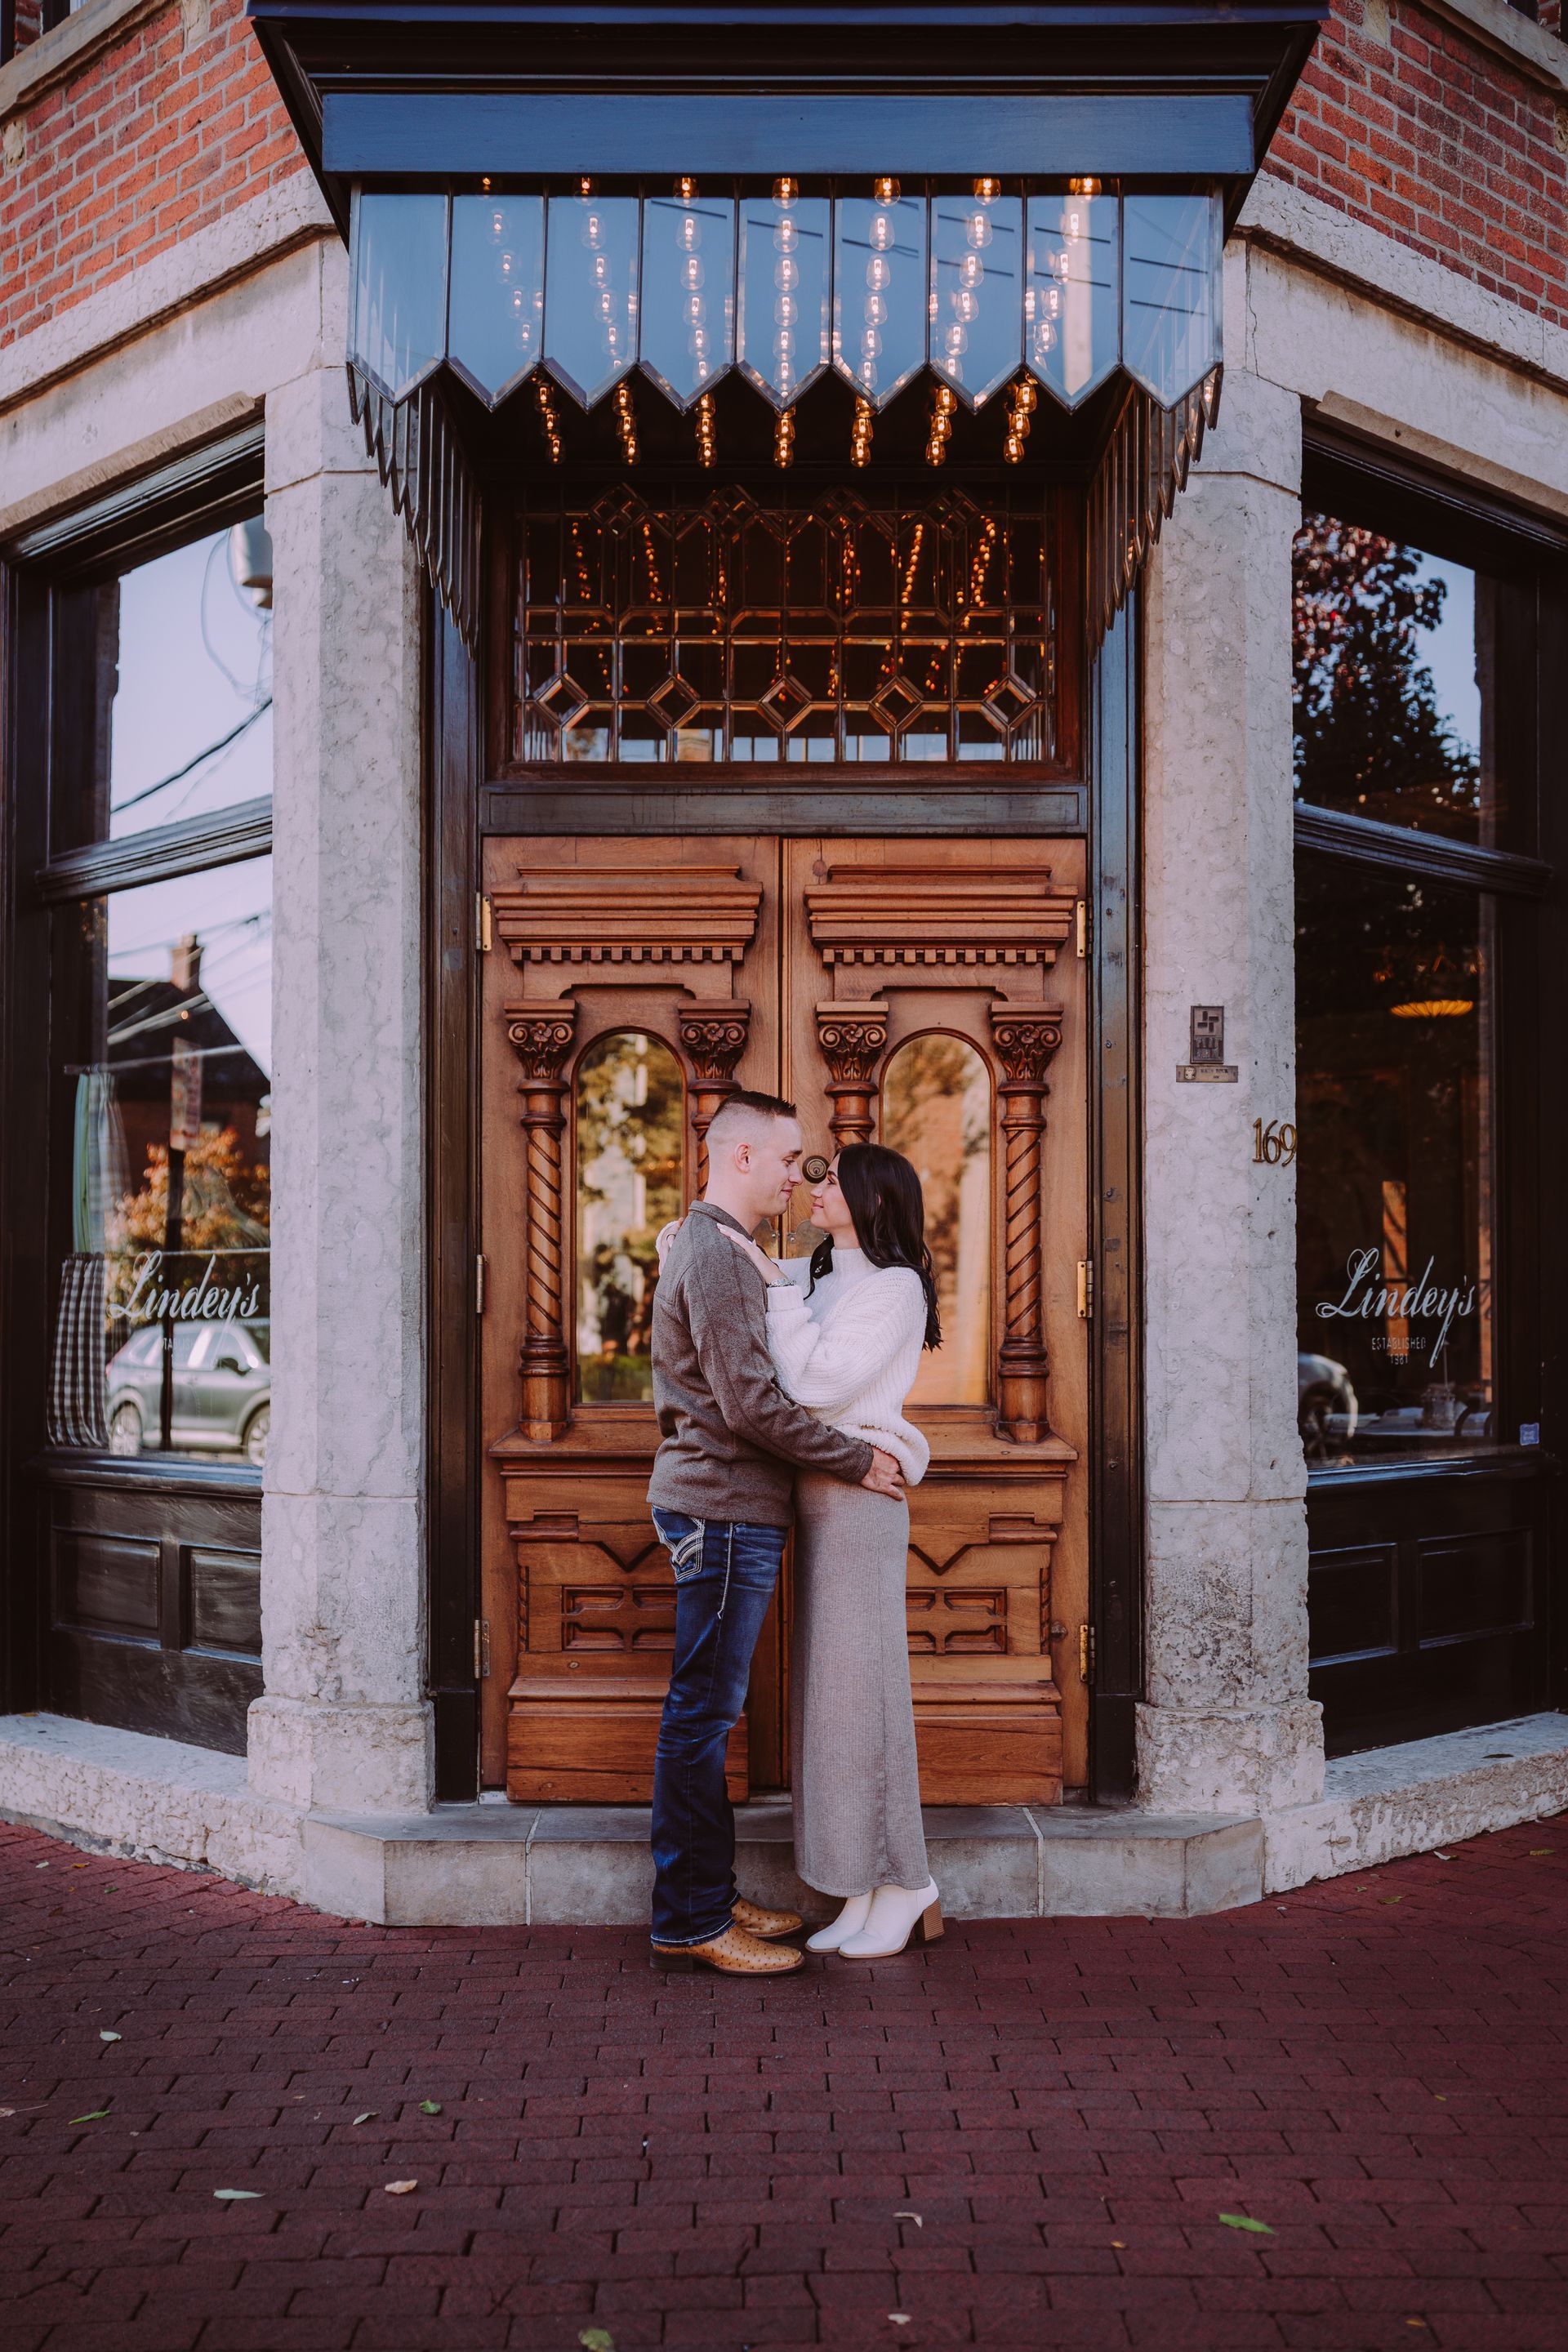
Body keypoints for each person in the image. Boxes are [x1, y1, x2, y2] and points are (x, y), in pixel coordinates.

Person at [647, 1090, 906, 1977]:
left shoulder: (721, 1248)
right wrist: (853, 1460)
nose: (803, 1176)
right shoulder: (717, 1254)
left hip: (724, 1508)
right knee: (701, 1720)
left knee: (709, 1715)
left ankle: (706, 1899)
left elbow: (802, 1315)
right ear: (744, 1156)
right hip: (720, 1510)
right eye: (792, 1158)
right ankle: (689, 1921)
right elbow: (754, 1404)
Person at [719, 1143, 945, 1961]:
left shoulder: (893, 1288)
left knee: (867, 1697)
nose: (816, 1188)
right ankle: (859, 1885)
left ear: (871, 1196)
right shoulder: (817, 1274)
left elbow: (815, 1387)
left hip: (859, 1502)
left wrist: (778, 1292)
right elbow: (723, 1255)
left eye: (834, 1178)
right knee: (832, 1703)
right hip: (813, 1496)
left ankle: (908, 1880)